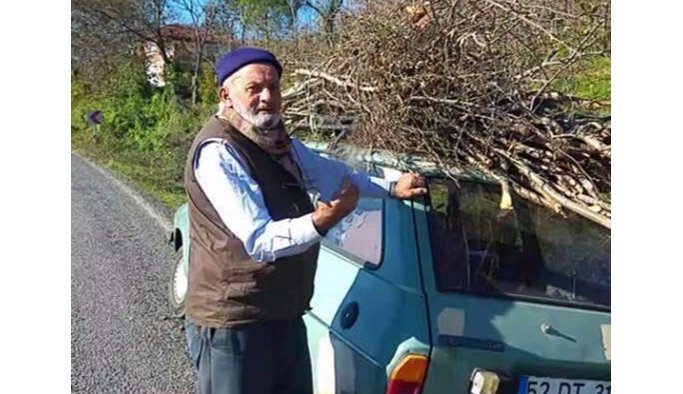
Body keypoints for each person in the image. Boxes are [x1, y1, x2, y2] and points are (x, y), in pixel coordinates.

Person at [183, 47, 428, 394]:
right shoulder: (218, 152)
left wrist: (392, 188)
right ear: (226, 95)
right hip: (234, 321)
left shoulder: (279, 143)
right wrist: (324, 219)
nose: (268, 97)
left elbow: (337, 177)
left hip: (283, 311)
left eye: (274, 87)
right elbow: (260, 239)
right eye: (255, 88)